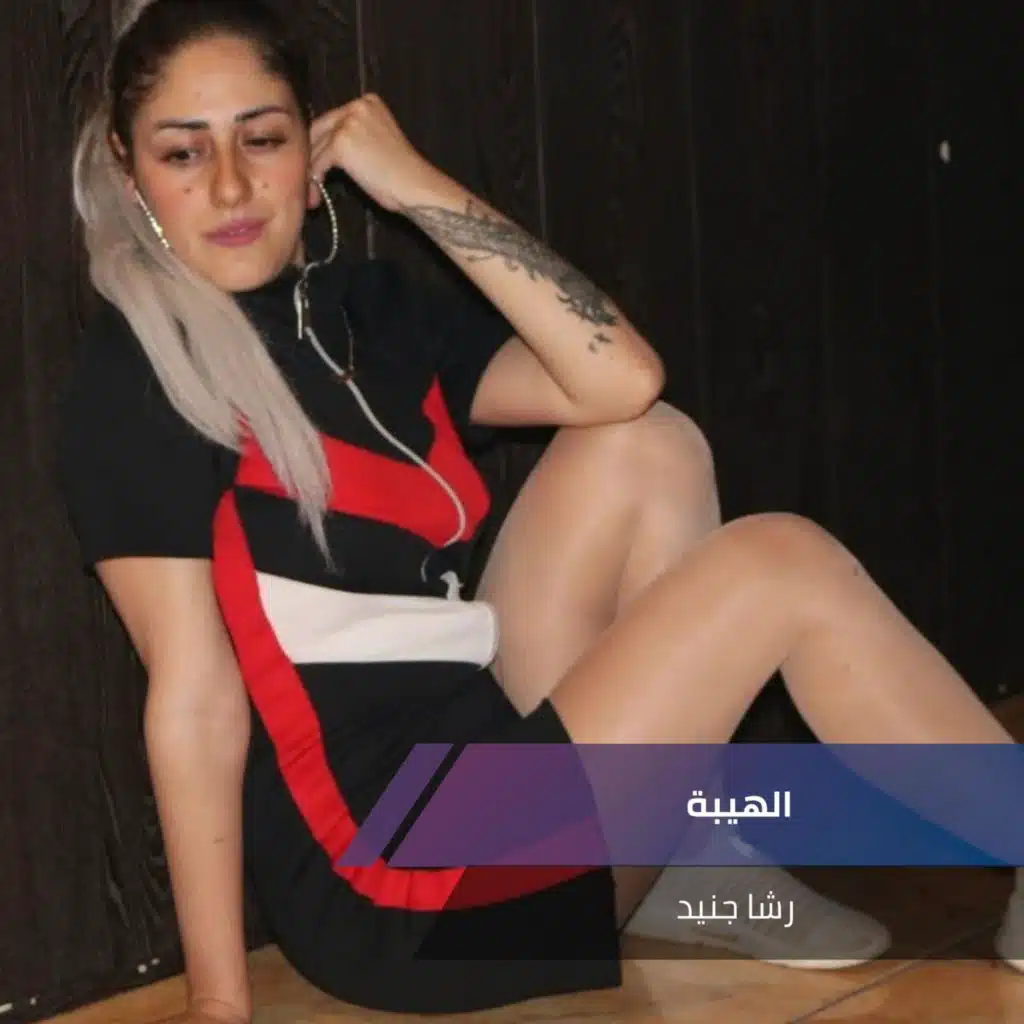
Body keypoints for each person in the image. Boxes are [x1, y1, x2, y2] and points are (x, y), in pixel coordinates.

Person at [58, 1, 1022, 1021]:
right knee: (780, 564)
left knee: (646, 443)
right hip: (397, 882)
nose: (228, 185)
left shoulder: (370, 311)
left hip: (481, 772)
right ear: (130, 171)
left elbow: (621, 377)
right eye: (183, 153)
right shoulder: (139, 378)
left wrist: (415, 184)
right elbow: (196, 699)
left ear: (314, 147)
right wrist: (218, 1003)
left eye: (262, 139)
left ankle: (684, 863)